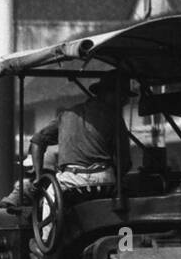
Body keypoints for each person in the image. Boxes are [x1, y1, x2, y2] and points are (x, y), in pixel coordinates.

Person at [32, 72, 134, 201]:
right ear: (105, 94)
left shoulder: (66, 115)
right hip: (104, 181)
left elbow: (37, 141)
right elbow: (124, 162)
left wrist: (38, 176)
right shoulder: (114, 117)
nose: (125, 101)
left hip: (71, 181)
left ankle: (49, 222)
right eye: (122, 96)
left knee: (48, 204)